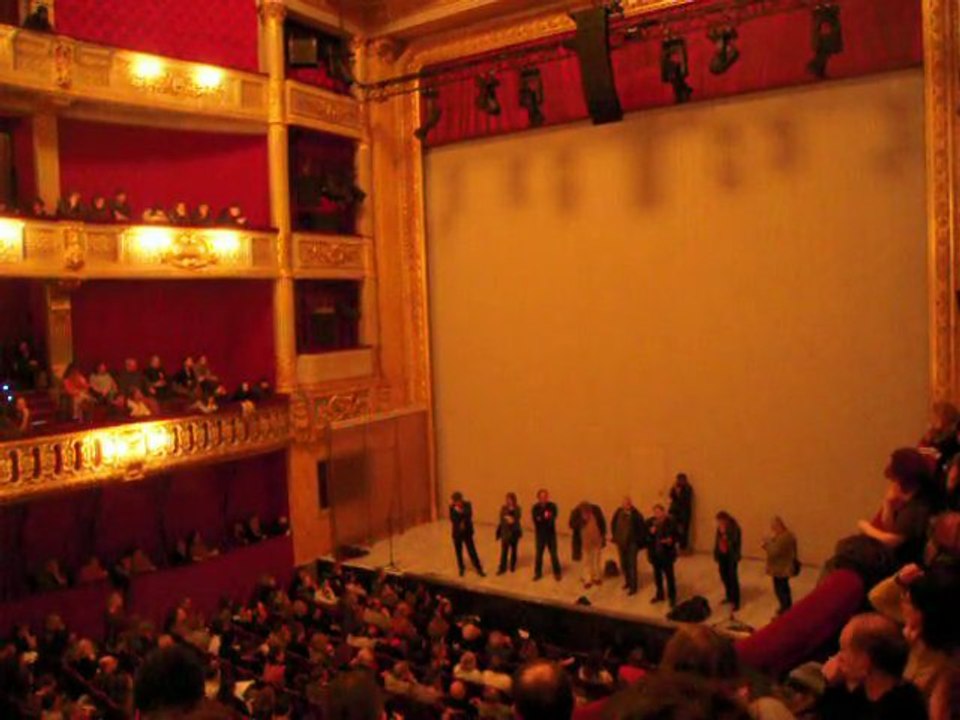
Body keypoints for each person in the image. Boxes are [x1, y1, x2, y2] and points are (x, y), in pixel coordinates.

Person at [819, 613, 929, 719]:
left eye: (844, 650)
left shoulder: (897, 711)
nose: (838, 658)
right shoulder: (870, 694)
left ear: (864, 662)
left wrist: (832, 688)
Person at [611, 496, 646, 596]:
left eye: (628, 503)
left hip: (632, 544)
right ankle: (627, 582)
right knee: (624, 564)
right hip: (621, 543)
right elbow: (613, 524)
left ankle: (633, 587)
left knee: (632, 565)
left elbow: (641, 529)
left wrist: (638, 542)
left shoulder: (636, 515)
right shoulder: (618, 512)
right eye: (625, 503)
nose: (626, 505)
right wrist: (615, 537)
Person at [763, 516, 798, 615]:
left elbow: (774, 552)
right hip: (782, 567)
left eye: (774, 527)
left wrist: (767, 544)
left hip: (781, 569)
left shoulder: (784, 538)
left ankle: (785, 608)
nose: (773, 530)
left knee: (781, 589)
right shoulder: (788, 536)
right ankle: (785, 607)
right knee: (784, 588)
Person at [647, 504, 678, 607]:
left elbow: (676, 535)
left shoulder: (670, 522)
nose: (657, 514)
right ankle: (660, 594)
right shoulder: (651, 523)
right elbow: (646, 538)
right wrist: (651, 533)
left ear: (663, 512)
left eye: (659, 512)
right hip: (655, 554)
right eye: (655, 512)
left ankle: (672, 597)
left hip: (667, 554)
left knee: (670, 576)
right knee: (657, 576)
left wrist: (670, 540)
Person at [450, 491, 485, 577]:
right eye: (456, 502)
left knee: (472, 551)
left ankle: (478, 568)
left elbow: (469, 515)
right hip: (457, 533)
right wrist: (457, 512)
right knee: (459, 552)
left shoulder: (467, 505)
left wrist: (462, 519)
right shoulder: (452, 508)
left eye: (459, 501)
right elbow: (453, 519)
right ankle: (461, 568)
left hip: (467, 532)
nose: (458, 503)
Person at [715, 510, 742, 612]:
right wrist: (716, 554)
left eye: (720, 521)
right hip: (722, 555)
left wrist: (725, 534)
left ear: (725, 520)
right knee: (724, 576)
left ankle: (736, 601)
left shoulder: (734, 528)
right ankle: (729, 596)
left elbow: (734, 542)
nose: (718, 523)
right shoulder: (719, 529)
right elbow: (717, 542)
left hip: (731, 556)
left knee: (732, 578)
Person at [532, 489, 561, 581]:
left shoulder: (552, 506)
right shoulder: (535, 508)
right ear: (538, 498)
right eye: (541, 497)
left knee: (553, 554)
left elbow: (552, 518)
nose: (543, 499)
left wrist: (543, 517)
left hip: (550, 534)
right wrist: (545, 517)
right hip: (540, 535)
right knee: (539, 554)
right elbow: (536, 520)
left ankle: (557, 572)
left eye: (545, 497)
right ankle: (538, 573)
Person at [578, 502, 604, 588]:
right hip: (586, 544)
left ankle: (596, 577)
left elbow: (602, 525)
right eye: (584, 513)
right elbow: (572, 525)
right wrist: (582, 521)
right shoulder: (578, 518)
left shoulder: (596, 515)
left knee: (596, 560)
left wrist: (602, 538)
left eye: (587, 512)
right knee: (587, 561)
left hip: (597, 541)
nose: (586, 515)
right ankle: (587, 579)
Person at [496, 492, 522, 575]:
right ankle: (502, 567)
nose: (508, 501)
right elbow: (502, 517)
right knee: (504, 551)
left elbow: (517, 518)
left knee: (514, 550)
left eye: (510, 500)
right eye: (507, 499)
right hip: (505, 533)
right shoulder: (504, 508)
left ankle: (512, 566)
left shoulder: (517, 508)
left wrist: (512, 515)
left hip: (514, 532)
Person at [669, 472, 694, 551]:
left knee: (683, 530)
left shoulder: (688, 488)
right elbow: (671, 497)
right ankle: (675, 545)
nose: (680, 481)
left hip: (684, 513)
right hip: (675, 511)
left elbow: (685, 501)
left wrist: (678, 493)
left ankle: (683, 547)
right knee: (674, 528)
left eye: (682, 480)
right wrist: (675, 491)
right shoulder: (675, 487)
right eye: (679, 480)